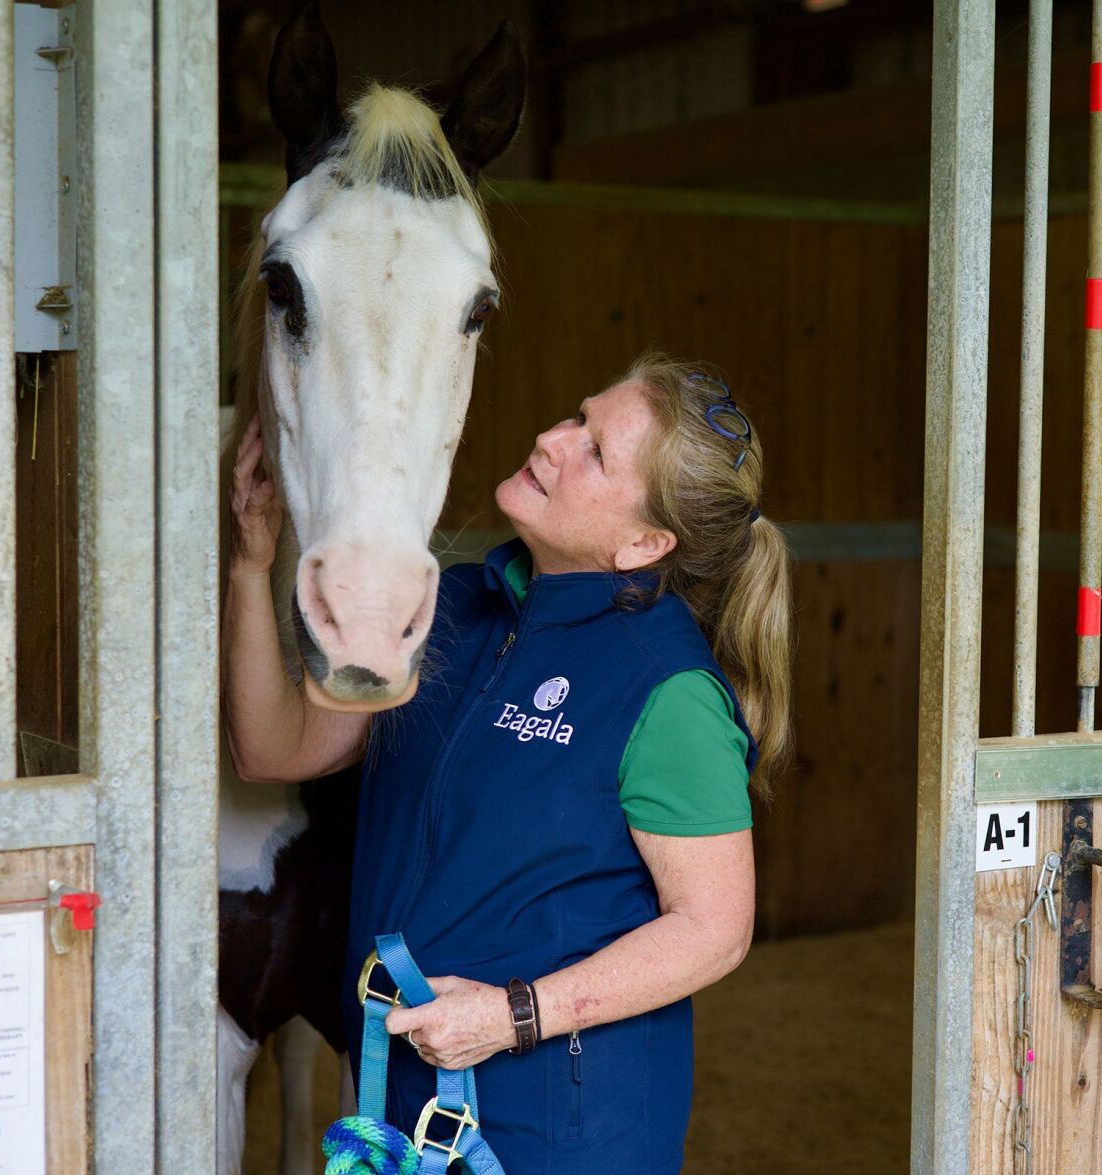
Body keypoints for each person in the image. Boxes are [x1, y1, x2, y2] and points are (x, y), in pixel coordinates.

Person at [224, 353, 794, 1172]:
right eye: (576, 416)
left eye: (593, 450)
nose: (552, 439)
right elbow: (271, 748)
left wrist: (514, 1014)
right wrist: (250, 565)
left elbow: (714, 928)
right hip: (407, 1094)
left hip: (558, 1125)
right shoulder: (454, 606)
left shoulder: (666, 689)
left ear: (644, 541)